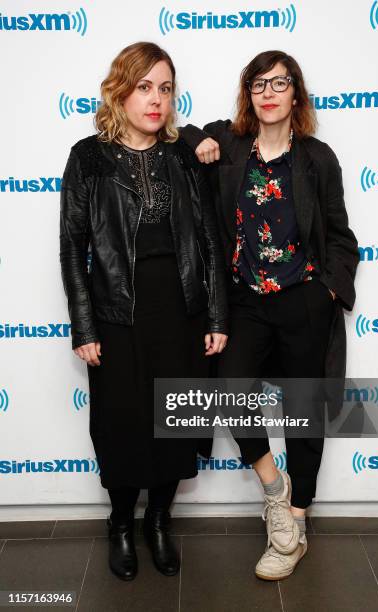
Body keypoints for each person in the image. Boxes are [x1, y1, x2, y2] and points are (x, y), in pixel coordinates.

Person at [180, 50, 359, 580]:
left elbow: (342, 239)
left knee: (305, 413)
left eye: (280, 82)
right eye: (259, 84)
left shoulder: (317, 160)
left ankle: (295, 524)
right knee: (232, 394)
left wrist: (327, 291)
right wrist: (199, 141)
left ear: (296, 93)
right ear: (248, 94)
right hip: (246, 303)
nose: (269, 92)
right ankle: (275, 492)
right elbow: (183, 131)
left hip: (303, 300)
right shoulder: (233, 146)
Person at [59, 42, 228, 582]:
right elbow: (73, 247)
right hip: (116, 313)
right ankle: (120, 524)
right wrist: (83, 324)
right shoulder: (88, 156)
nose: (156, 100)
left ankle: (159, 520)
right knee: (123, 424)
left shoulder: (182, 154)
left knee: (176, 422)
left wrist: (218, 316)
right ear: (121, 90)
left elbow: (207, 240)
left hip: (181, 312)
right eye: (144, 87)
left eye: (165, 88)